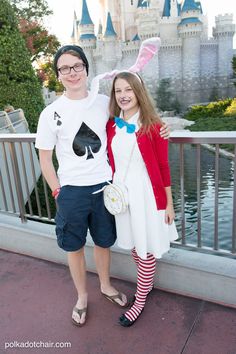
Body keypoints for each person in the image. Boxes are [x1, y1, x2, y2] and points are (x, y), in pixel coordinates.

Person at [35, 44, 170, 326]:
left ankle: (106, 286)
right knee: (73, 246)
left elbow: (133, 122)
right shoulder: (50, 113)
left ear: (86, 68)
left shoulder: (102, 103)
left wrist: (163, 126)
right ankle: (82, 296)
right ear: (58, 74)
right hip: (71, 190)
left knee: (103, 242)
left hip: (106, 189)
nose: (72, 73)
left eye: (77, 66)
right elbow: (45, 159)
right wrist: (58, 190)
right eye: (64, 68)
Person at [106, 71, 178, 327]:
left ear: (138, 91)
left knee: (145, 250)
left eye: (128, 89)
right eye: (118, 91)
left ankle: (140, 298)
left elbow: (163, 165)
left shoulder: (154, 126)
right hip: (122, 196)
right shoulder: (111, 124)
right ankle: (146, 283)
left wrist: (168, 204)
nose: (123, 95)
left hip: (145, 195)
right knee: (136, 247)